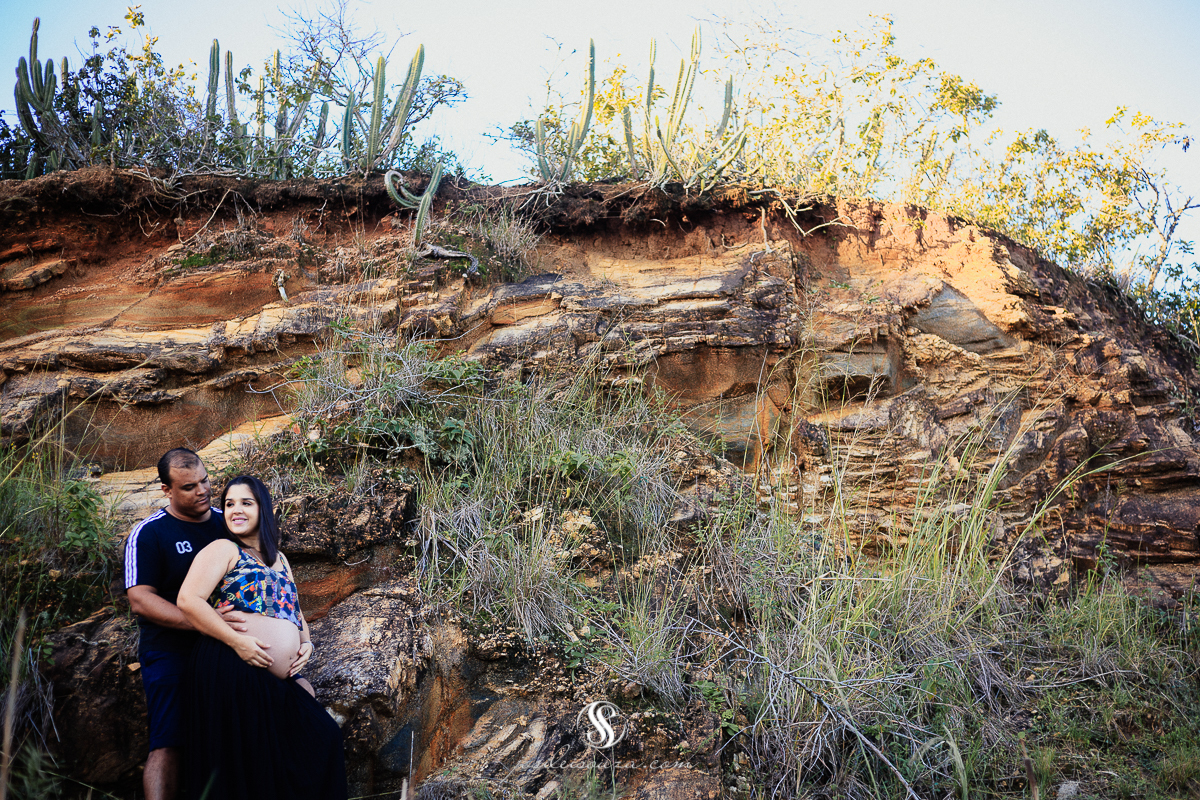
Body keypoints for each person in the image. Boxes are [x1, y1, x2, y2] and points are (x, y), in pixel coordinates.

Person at [177, 475, 347, 800]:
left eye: (246, 503)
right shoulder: (223, 549)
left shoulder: (280, 559)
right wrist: (236, 641)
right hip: (231, 665)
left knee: (322, 736)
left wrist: (306, 643)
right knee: (250, 766)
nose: (235, 510)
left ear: (263, 509)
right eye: (228, 504)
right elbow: (188, 600)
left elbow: (295, 613)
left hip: (268, 678)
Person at [124, 448, 240, 800]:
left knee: (234, 733)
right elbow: (140, 598)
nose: (202, 490)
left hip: (227, 645)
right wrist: (203, 622)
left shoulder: (229, 522)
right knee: (168, 739)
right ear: (166, 490)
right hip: (170, 650)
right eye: (189, 487)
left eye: (204, 480)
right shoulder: (149, 533)